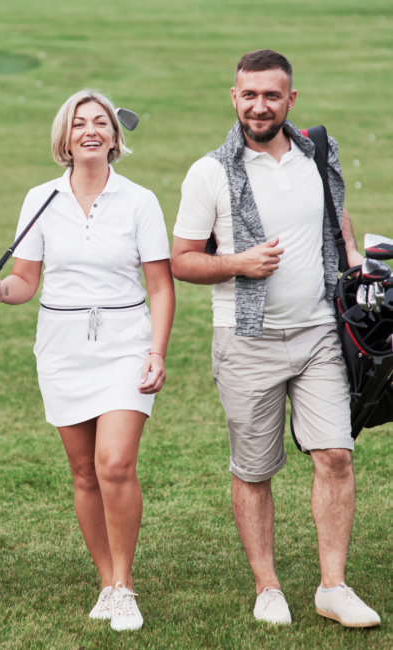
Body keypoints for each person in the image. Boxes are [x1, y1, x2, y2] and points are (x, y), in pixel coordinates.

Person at [171, 50, 380, 627]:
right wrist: (238, 263)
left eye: (271, 95)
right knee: (254, 469)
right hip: (247, 340)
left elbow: (334, 219)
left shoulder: (318, 151)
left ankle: (333, 587)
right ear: (233, 98)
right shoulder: (209, 172)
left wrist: (354, 256)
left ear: (290, 99)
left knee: (335, 455)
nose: (259, 106)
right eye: (249, 95)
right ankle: (268, 587)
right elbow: (181, 261)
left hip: (319, 332)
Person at [0, 89, 175, 632]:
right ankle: (106, 583)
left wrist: (156, 351)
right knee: (84, 473)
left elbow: (160, 286)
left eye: (100, 122)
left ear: (114, 136)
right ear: (65, 137)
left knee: (114, 464)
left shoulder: (140, 201)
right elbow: (25, 282)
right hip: (61, 350)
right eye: (80, 123)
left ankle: (125, 587)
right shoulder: (41, 199)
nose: (91, 130)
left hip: (125, 344)